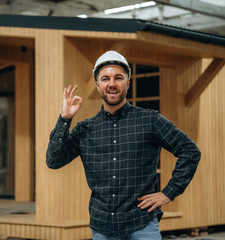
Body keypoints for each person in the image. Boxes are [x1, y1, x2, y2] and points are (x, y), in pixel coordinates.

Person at [46, 50, 201, 240]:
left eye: (118, 78)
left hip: (142, 224)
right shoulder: (84, 129)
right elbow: (53, 160)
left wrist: (168, 193)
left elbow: (190, 151)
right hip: (102, 227)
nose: (112, 83)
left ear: (127, 83)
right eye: (105, 79)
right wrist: (65, 119)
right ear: (98, 85)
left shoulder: (149, 120)